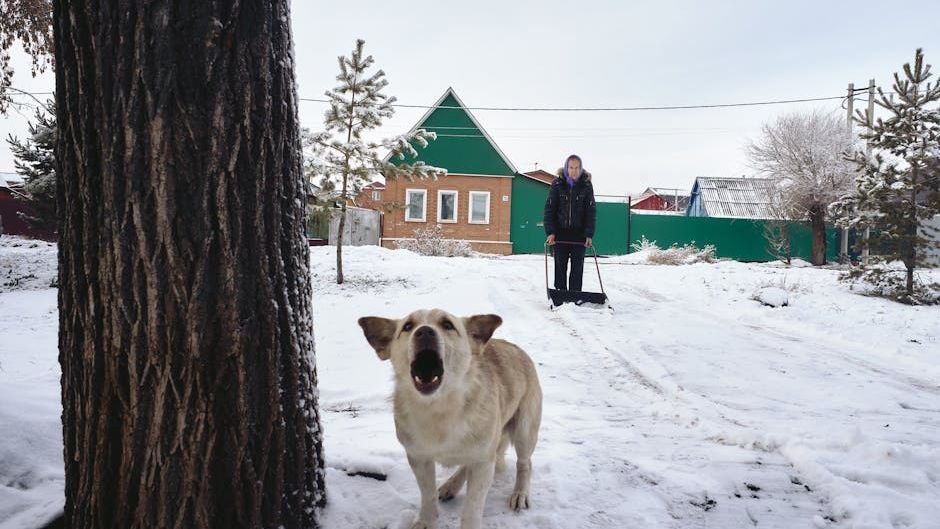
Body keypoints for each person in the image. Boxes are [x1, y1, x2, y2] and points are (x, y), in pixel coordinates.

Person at [544, 154, 597, 296]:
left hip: (579, 235)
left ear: (581, 169)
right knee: (560, 267)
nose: (574, 171)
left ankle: (575, 295)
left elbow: (590, 211)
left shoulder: (586, 185)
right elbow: (550, 209)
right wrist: (550, 232)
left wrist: (588, 234)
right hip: (560, 235)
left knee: (577, 268)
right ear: (566, 168)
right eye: (571, 167)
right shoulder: (557, 184)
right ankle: (560, 294)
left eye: (577, 168)